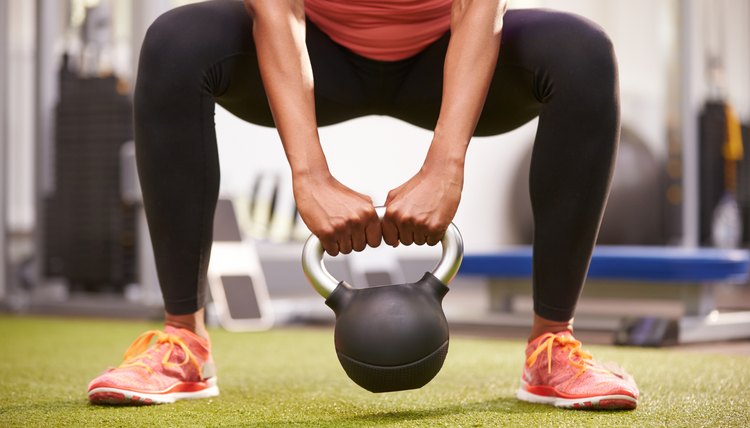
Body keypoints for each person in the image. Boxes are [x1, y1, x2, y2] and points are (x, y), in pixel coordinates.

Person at [87, 0, 639, 410]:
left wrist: (444, 167)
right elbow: (277, 14)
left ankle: (551, 345)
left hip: (445, 49)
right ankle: (185, 341)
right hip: (317, 50)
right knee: (173, 42)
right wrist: (310, 176)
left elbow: (478, 9)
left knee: (584, 54)